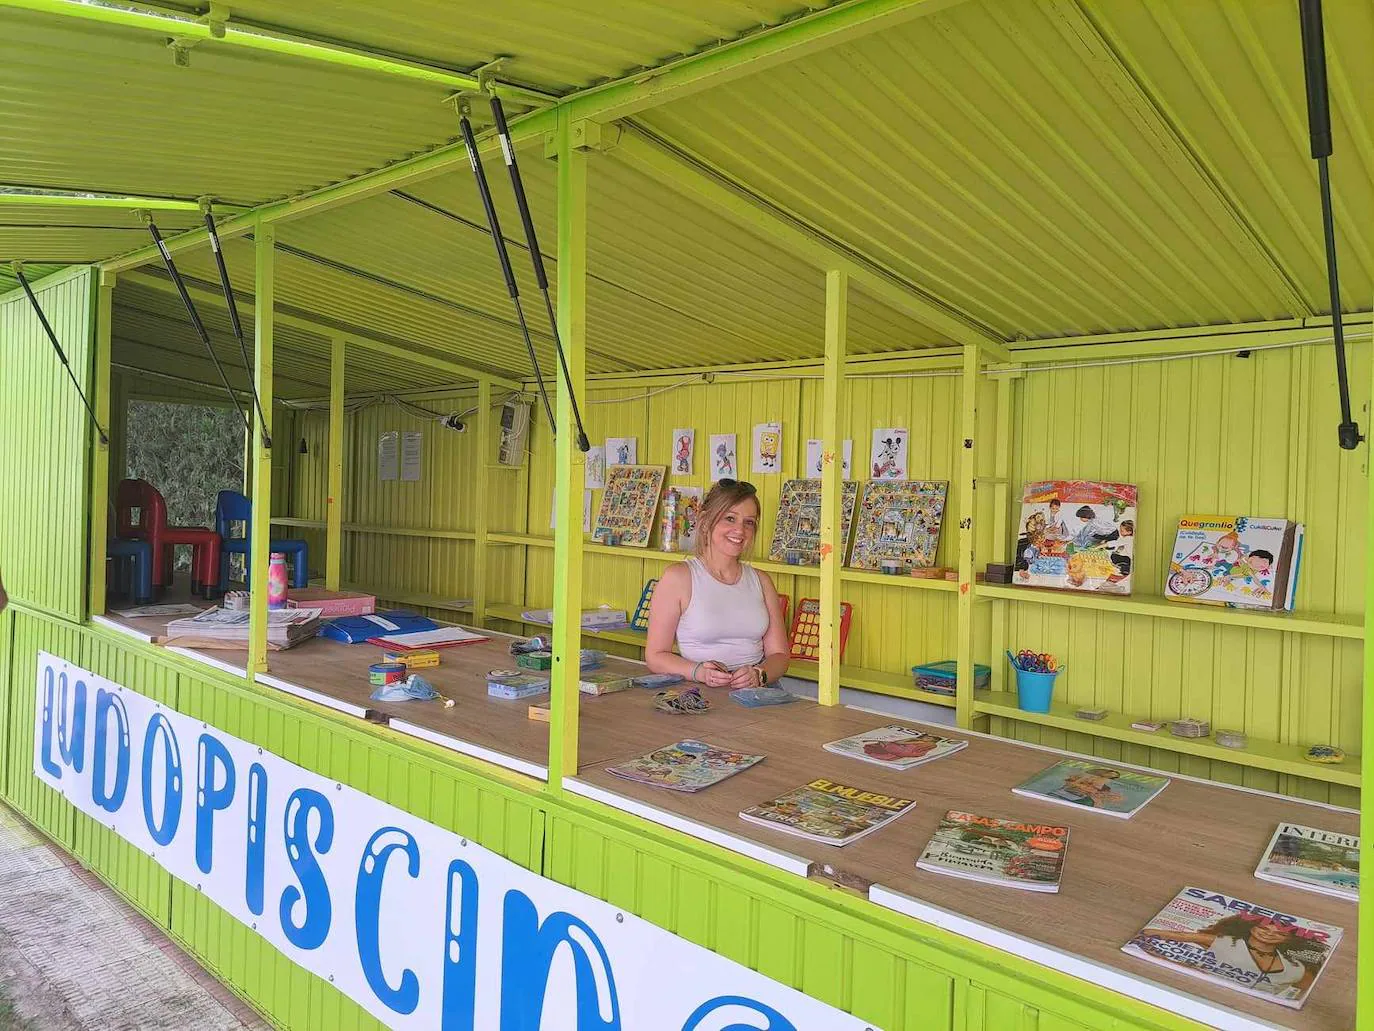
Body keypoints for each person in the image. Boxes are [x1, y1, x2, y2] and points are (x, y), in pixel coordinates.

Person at [645, 479, 790, 689]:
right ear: (705, 522)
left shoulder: (761, 580)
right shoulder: (678, 577)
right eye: (729, 518)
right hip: (699, 692)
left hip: (757, 694)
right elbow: (655, 656)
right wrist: (699, 672)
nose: (739, 530)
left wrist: (760, 674)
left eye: (748, 522)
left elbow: (780, 655)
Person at [1140, 915, 1319, 994]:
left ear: (1289, 939)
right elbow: (1175, 935)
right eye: (1263, 928)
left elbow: (1309, 994)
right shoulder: (1224, 942)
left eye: (1279, 933)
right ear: (1251, 928)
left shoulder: (1296, 967)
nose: (1268, 933)